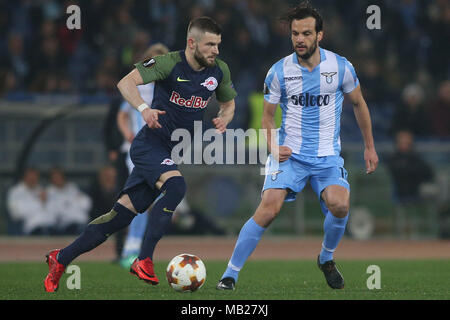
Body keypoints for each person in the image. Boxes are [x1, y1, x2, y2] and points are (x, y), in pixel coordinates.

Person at [44, 16, 237, 292]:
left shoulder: (218, 71)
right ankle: (144, 259)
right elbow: (125, 83)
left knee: (118, 217)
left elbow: (229, 103)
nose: (216, 50)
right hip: (148, 146)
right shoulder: (167, 62)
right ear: (191, 43)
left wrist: (224, 117)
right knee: (176, 186)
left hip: (167, 150)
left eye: (218, 45)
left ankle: (60, 258)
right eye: (210, 44)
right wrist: (143, 110)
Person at [216, 2, 378, 291]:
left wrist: (369, 147)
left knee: (340, 205)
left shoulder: (341, 67)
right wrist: (273, 146)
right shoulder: (278, 71)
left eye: (305, 33)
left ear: (320, 35)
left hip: (327, 155)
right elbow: (266, 117)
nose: (299, 39)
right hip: (289, 154)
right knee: (268, 208)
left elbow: (359, 104)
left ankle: (326, 258)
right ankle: (230, 274)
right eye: (294, 34)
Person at [116, 43, 169, 268]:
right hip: (139, 151)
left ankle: (135, 250)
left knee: (148, 201)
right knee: (142, 200)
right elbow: (122, 114)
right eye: (153, 60)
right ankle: (132, 251)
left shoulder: (168, 89)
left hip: (159, 150)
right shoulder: (139, 86)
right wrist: (127, 132)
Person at [46, 167, 91, 235]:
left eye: (59, 176)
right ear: (51, 179)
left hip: (82, 223)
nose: (58, 179)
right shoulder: (49, 192)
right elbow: (57, 212)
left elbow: (86, 203)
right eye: (55, 177)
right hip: (64, 226)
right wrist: (72, 203)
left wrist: (71, 204)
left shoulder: (72, 187)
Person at [6, 167, 52, 235]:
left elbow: (49, 210)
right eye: (30, 177)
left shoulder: (41, 190)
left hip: (47, 225)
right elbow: (15, 214)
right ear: (24, 177)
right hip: (26, 226)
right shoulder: (15, 191)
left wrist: (44, 201)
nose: (32, 179)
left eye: (35, 177)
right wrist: (37, 204)